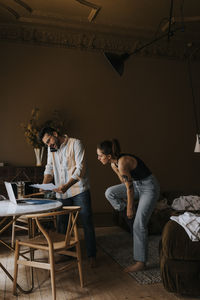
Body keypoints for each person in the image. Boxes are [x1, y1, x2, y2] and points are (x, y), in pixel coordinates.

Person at [97, 139, 160, 272]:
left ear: (108, 156)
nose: (98, 158)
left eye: (100, 155)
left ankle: (140, 262)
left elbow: (129, 189)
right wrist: (126, 206)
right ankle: (126, 212)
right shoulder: (114, 164)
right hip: (137, 185)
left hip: (149, 187)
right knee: (110, 192)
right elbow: (125, 183)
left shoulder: (123, 162)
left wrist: (131, 207)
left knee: (139, 224)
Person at [39, 127, 96, 266]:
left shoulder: (76, 143)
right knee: (62, 223)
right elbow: (49, 168)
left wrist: (67, 185)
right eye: (46, 143)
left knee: (86, 221)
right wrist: (44, 184)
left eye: (49, 141)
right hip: (62, 192)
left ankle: (91, 255)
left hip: (79, 190)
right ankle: (67, 254)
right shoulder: (50, 148)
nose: (49, 145)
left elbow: (80, 168)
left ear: (55, 134)